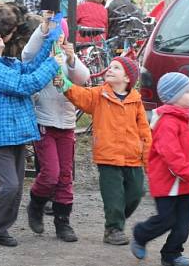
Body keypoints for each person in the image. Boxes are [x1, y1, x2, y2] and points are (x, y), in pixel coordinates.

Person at [0, 25, 60, 247]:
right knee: (9, 185)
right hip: (0, 137)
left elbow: (31, 69)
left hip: (17, 134)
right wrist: (53, 63)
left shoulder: (9, 63)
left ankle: (0, 229)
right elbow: (24, 84)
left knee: (17, 188)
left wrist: (50, 39)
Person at [63, 56, 151, 245]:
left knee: (137, 191)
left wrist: (147, 157)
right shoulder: (98, 95)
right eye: (109, 67)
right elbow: (79, 95)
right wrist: (63, 84)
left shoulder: (136, 100)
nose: (109, 70)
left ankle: (116, 219)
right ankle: (113, 229)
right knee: (113, 195)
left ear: (128, 78)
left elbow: (144, 130)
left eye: (116, 68)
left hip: (132, 156)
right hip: (108, 156)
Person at [131, 72, 189, 266]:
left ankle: (171, 254)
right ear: (174, 97)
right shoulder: (167, 122)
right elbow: (172, 158)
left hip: (184, 182)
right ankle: (141, 234)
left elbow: (188, 154)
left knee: (186, 220)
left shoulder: (186, 119)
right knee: (166, 219)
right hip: (167, 183)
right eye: (187, 91)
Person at [23, 12, 90, 242]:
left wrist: (72, 59)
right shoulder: (40, 56)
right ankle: (36, 204)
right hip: (44, 121)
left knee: (65, 175)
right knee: (50, 173)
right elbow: (27, 54)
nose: (56, 38)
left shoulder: (66, 56)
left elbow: (82, 77)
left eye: (59, 33)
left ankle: (63, 221)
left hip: (67, 123)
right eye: (52, 33)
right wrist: (43, 28)